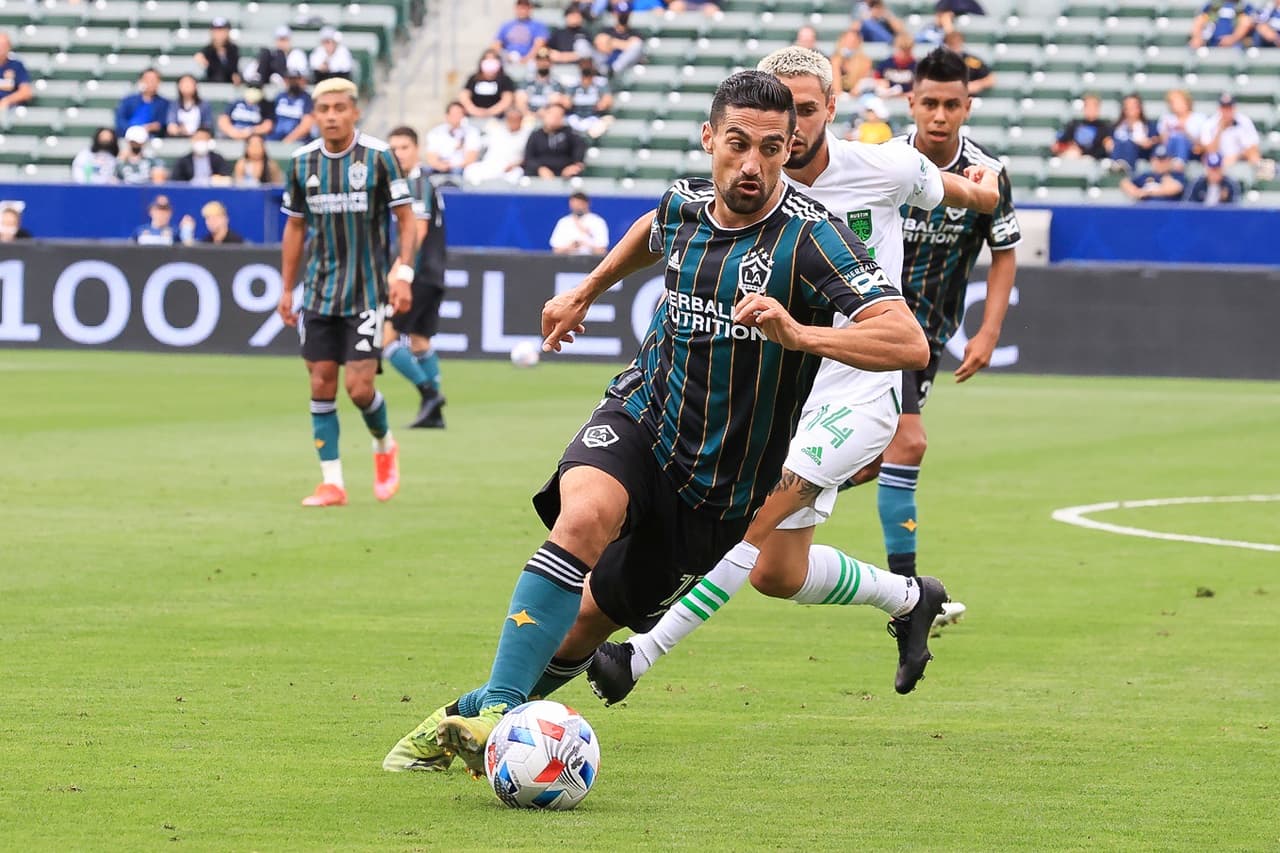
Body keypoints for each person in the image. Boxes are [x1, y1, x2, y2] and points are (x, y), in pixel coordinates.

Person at [383, 69, 931, 777]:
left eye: (772, 148)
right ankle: (495, 722)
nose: (753, 164)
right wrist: (584, 289)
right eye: (738, 144)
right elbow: (653, 231)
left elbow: (906, 340)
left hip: (720, 489)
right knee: (582, 517)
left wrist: (801, 335)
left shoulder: (812, 239)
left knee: (587, 622)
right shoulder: (684, 205)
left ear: (790, 146)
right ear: (710, 139)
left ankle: (477, 708)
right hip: (641, 417)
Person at [587, 46, 1001, 707]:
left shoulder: (884, 166)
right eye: (782, 110)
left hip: (859, 389)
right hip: (783, 391)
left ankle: (641, 650)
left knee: (757, 516)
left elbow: (963, 191)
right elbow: (662, 221)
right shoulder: (750, 186)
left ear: (830, 108)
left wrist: (987, 189)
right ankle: (908, 596)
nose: (794, 125)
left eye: (806, 109)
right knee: (778, 572)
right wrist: (587, 290)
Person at [878, 47, 1020, 608]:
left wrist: (987, 333)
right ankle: (911, 596)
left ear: (968, 107)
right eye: (929, 103)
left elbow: (1004, 252)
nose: (939, 115)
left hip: (928, 338)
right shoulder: (884, 161)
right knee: (908, 443)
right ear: (911, 103)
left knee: (868, 460)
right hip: (875, 325)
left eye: (951, 104)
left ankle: (748, 523)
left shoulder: (988, 174)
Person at [277, 77, 416, 508]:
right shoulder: (300, 163)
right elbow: (295, 226)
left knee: (357, 389)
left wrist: (403, 271)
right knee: (320, 382)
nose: (332, 116)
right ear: (314, 115)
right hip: (318, 291)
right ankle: (332, 483)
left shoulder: (378, 158)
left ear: (355, 112)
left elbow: (407, 219)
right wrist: (287, 288)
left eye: (340, 108)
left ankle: (383, 443)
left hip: (367, 291)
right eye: (324, 109)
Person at [383, 126, 450, 429]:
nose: (398, 154)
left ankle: (430, 394)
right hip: (433, 274)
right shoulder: (415, 183)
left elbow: (418, 230)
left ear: (417, 149)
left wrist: (401, 269)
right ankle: (433, 413)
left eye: (404, 147)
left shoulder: (417, 183)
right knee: (420, 341)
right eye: (393, 148)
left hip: (418, 275)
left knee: (386, 338)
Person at [463, 107, 529, 184]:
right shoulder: (496, 131)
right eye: (510, 119)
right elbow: (479, 144)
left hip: (510, 168)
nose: (512, 122)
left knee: (516, 176)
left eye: (515, 119)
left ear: (521, 120)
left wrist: (515, 165)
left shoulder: (527, 134)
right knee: (470, 170)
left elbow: (528, 157)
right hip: (490, 165)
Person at [523, 102, 586, 178]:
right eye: (552, 114)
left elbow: (579, 150)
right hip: (539, 173)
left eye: (559, 115)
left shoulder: (570, 134)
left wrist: (574, 166)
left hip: (565, 174)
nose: (555, 117)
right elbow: (529, 158)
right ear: (545, 114)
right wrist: (540, 169)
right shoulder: (536, 135)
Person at [1200, 93, 1263, 168]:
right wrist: (1220, 130)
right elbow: (1210, 150)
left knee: (1254, 156)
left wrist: (1236, 156)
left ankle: (1258, 178)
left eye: (1229, 108)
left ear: (1234, 108)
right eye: (1224, 108)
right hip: (1218, 160)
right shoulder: (1210, 124)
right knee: (1209, 158)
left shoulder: (1244, 121)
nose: (1227, 111)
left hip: (1241, 157)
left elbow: (1253, 146)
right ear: (1219, 109)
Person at [424, 101, 483, 178]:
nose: (456, 117)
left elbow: (471, 158)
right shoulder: (436, 132)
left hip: (460, 170)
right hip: (439, 169)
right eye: (453, 114)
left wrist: (452, 166)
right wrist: (441, 166)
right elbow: (431, 158)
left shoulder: (472, 132)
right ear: (447, 116)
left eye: (459, 114)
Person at [459, 49, 516, 122]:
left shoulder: (505, 79)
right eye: (487, 59)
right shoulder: (473, 78)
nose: (490, 62)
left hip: (497, 119)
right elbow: (464, 96)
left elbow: (507, 99)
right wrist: (475, 111)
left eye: (493, 59)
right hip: (473, 116)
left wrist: (489, 112)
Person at [1106, 93, 1158, 173]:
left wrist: (1148, 142)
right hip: (1117, 151)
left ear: (1139, 108)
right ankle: (1117, 166)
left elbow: (1155, 140)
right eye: (1128, 106)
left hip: (1139, 154)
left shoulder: (1148, 126)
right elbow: (1108, 140)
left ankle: (1125, 167)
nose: (1131, 108)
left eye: (1134, 106)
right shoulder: (1116, 126)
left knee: (1129, 144)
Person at [565, 55, 614, 138]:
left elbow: (607, 101)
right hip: (576, 117)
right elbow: (567, 102)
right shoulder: (573, 83)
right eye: (583, 64)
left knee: (606, 121)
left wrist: (603, 103)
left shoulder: (600, 82)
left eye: (588, 63)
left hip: (594, 117)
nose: (586, 66)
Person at [1157, 89, 1207, 166]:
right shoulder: (1166, 118)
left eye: (1178, 102)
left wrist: (1185, 132)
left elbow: (1202, 144)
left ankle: (1179, 164)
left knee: (1180, 138)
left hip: (1192, 152)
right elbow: (1163, 143)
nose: (1175, 105)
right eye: (1172, 102)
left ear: (1187, 102)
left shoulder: (1199, 118)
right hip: (1170, 150)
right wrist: (1167, 130)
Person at [115, 68, 170, 137]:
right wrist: (136, 129)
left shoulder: (165, 104)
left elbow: (161, 124)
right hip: (128, 136)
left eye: (154, 80)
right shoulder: (128, 101)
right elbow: (120, 121)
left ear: (159, 82)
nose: (150, 83)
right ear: (140, 81)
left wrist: (151, 128)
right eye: (147, 79)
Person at [1051, 94, 1110, 159]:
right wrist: (1069, 147)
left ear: (1098, 108)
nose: (1091, 109)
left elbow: (1103, 150)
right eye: (1087, 106)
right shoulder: (1074, 124)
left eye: (1094, 106)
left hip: (1093, 160)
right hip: (1073, 157)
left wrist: (1083, 153)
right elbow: (1060, 143)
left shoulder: (1104, 127)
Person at [1119, 145, 1187, 201]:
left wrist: (1148, 192)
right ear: (1152, 160)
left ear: (1169, 160)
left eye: (1164, 159)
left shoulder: (1176, 175)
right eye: (1158, 159)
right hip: (1146, 211)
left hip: (1169, 211)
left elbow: (1176, 188)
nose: (1161, 163)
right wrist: (1137, 192)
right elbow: (1125, 182)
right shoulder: (1146, 175)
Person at [594, 4, 645, 76]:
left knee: (637, 45)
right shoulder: (607, 30)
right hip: (606, 63)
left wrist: (611, 43)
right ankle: (609, 71)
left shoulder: (635, 33)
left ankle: (614, 70)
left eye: (625, 14)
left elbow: (636, 47)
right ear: (615, 13)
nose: (623, 16)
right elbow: (600, 44)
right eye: (620, 13)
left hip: (626, 68)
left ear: (629, 14)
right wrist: (626, 45)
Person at [517, 47, 567, 116]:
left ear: (550, 63)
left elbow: (561, 101)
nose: (543, 63)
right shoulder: (527, 81)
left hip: (547, 116)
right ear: (536, 62)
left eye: (546, 60)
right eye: (540, 60)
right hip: (529, 117)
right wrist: (529, 115)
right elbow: (520, 101)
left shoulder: (556, 83)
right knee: (520, 97)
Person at [942, 30, 995, 95]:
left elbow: (990, 79)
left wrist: (977, 84)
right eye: (951, 44)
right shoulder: (939, 62)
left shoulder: (971, 61)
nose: (955, 47)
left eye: (957, 43)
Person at [270, 70, 315, 142]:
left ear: (300, 80)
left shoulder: (306, 98)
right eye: (290, 79)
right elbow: (271, 120)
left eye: (295, 79)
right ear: (286, 80)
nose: (293, 82)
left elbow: (306, 124)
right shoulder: (280, 96)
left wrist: (287, 140)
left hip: (298, 139)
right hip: (277, 136)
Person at [831, 23, 873, 100]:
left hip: (857, 96)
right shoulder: (835, 60)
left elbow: (861, 83)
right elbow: (835, 86)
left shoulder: (865, 61)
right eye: (847, 41)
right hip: (837, 96)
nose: (849, 44)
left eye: (853, 41)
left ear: (858, 43)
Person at [194, 18, 242, 84]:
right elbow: (201, 60)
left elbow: (234, 69)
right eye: (216, 31)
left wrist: (235, 76)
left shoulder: (233, 49)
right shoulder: (207, 50)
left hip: (229, 84)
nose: (219, 34)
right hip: (211, 84)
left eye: (222, 30)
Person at [1189, 1, 1255, 48]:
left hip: (1236, 44)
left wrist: (1232, 39)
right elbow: (1200, 20)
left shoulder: (1244, 6)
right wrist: (1197, 37)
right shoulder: (1213, 5)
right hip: (1211, 42)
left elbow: (1249, 22)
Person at [166, 74, 214, 138]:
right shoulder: (174, 105)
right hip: (179, 138)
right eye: (184, 83)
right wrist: (181, 130)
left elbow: (207, 125)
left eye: (189, 83)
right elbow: (171, 126)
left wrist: (197, 133)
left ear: (195, 86)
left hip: (200, 139)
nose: (187, 86)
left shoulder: (204, 105)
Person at [874, 33, 918, 100]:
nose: (904, 54)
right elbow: (876, 79)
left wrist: (904, 95)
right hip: (887, 99)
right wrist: (881, 83)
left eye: (907, 51)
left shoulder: (917, 66)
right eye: (901, 50)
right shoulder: (885, 64)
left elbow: (918, 89)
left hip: (907, 100)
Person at [0, 31, 34, 110]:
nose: (1, 49)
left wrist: (7, 100)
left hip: (10, 109)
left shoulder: (16, 65)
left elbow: (26, 92)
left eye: (4, 45)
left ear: (9, 47)